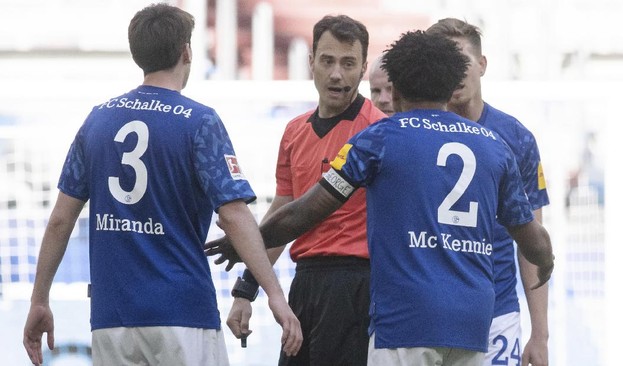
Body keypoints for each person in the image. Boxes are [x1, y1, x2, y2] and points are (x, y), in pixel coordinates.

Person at [211, 30, 554, 366]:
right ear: (452, 87)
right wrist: (547, 259)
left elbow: (307, 211)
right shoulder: (494, 146)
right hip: (472, 322)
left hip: (404, 320)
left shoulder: (377, 139)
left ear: (397, 88)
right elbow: (530, 236)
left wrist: (247, 241)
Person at [22, 4, 301, 366]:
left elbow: (61, 219)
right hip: (182, 315)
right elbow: (233, 214)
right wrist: (275, 295)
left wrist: (40, 300)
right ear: (186, 51)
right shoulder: (199, 122)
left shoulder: (97, 120)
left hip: (112, 319)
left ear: (137, 53)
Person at [206, 14, 386, 366]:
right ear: (311, 62)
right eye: (328, 61)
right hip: (305, 284)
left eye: (349, 63)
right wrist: (247, 289)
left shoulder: (379, 131)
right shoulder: (294, 132)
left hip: (358, 287)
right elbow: (285, 213)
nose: (337, 74)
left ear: (364, 67)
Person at [426, 18, 551, 366]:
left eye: (462, 60)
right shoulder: (416, 136)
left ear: (482, 65)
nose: (455, 72)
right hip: (426, 316)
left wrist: (539, 334)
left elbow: (531, 243)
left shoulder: (516, 138)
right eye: (444, 63)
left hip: (497, 314)